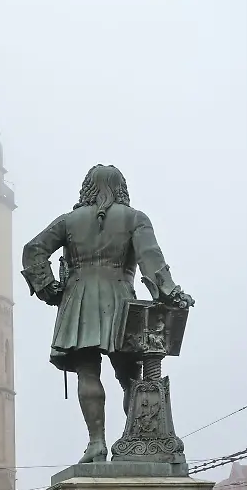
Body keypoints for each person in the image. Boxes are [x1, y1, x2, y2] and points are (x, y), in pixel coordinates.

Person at [21, 164, 194, 463]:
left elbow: (34, 249)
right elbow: (151, 259)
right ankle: (142, 441)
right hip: (121, 300)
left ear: (86, 188)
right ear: (121, 188)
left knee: (88, 371)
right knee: (131, 378)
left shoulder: (69, 221)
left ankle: (96, 443)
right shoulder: (135, 218)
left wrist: (50, 289)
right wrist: (171, 293)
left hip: (78, 301)